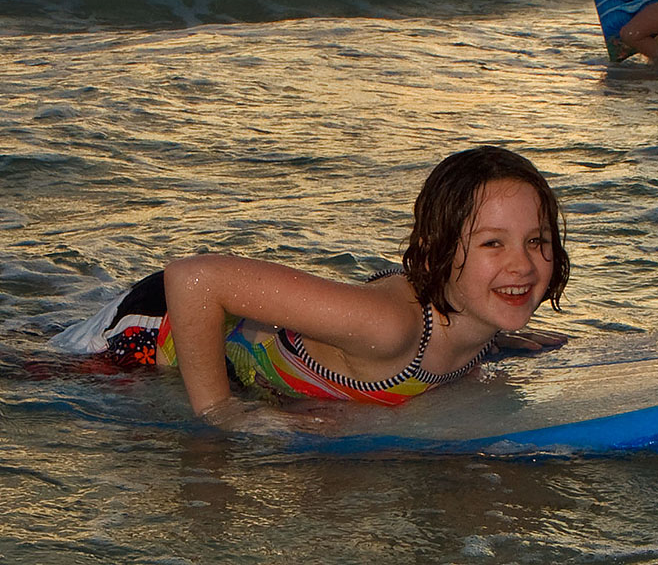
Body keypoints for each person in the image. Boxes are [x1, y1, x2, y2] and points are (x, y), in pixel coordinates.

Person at [51, 146, 570, 430]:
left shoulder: (472, 323)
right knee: (34, 370)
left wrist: (499, 341)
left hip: (236, 339)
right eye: (492, 245)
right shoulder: (388, 329)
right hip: (149, 330)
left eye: (536, 240)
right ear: (437, 251)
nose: (521, 265)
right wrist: (221, 414)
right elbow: (193, 277)